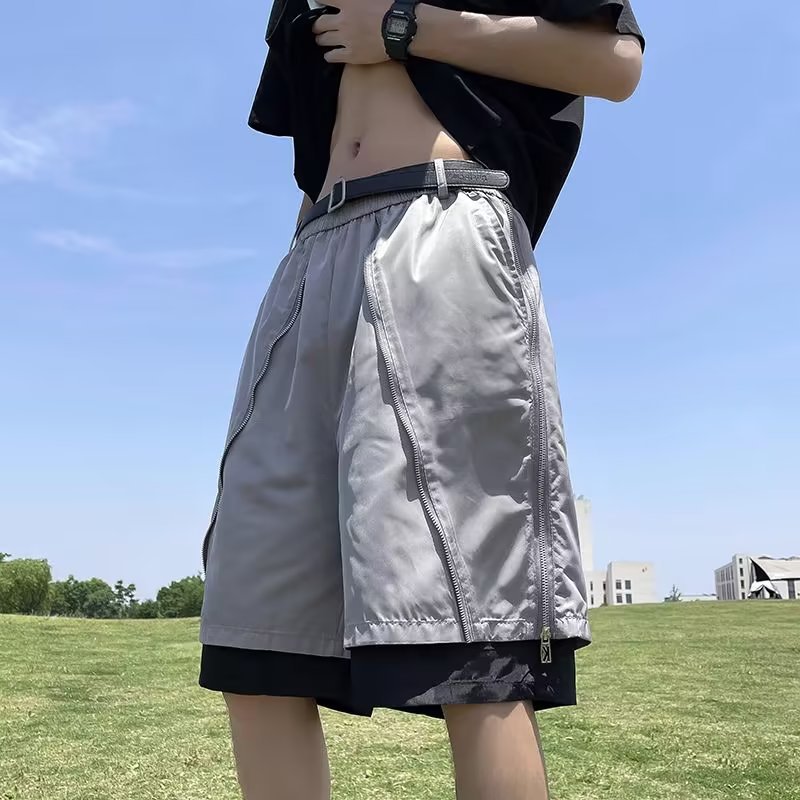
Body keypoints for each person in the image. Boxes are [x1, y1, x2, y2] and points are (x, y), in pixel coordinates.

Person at [198, 0, 644, 797]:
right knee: (256, 640)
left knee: (476, 644)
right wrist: (302, 270)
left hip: (442, 220)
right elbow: (316, 145)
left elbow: (614, 64)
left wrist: (404, 28)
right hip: (313, 255)